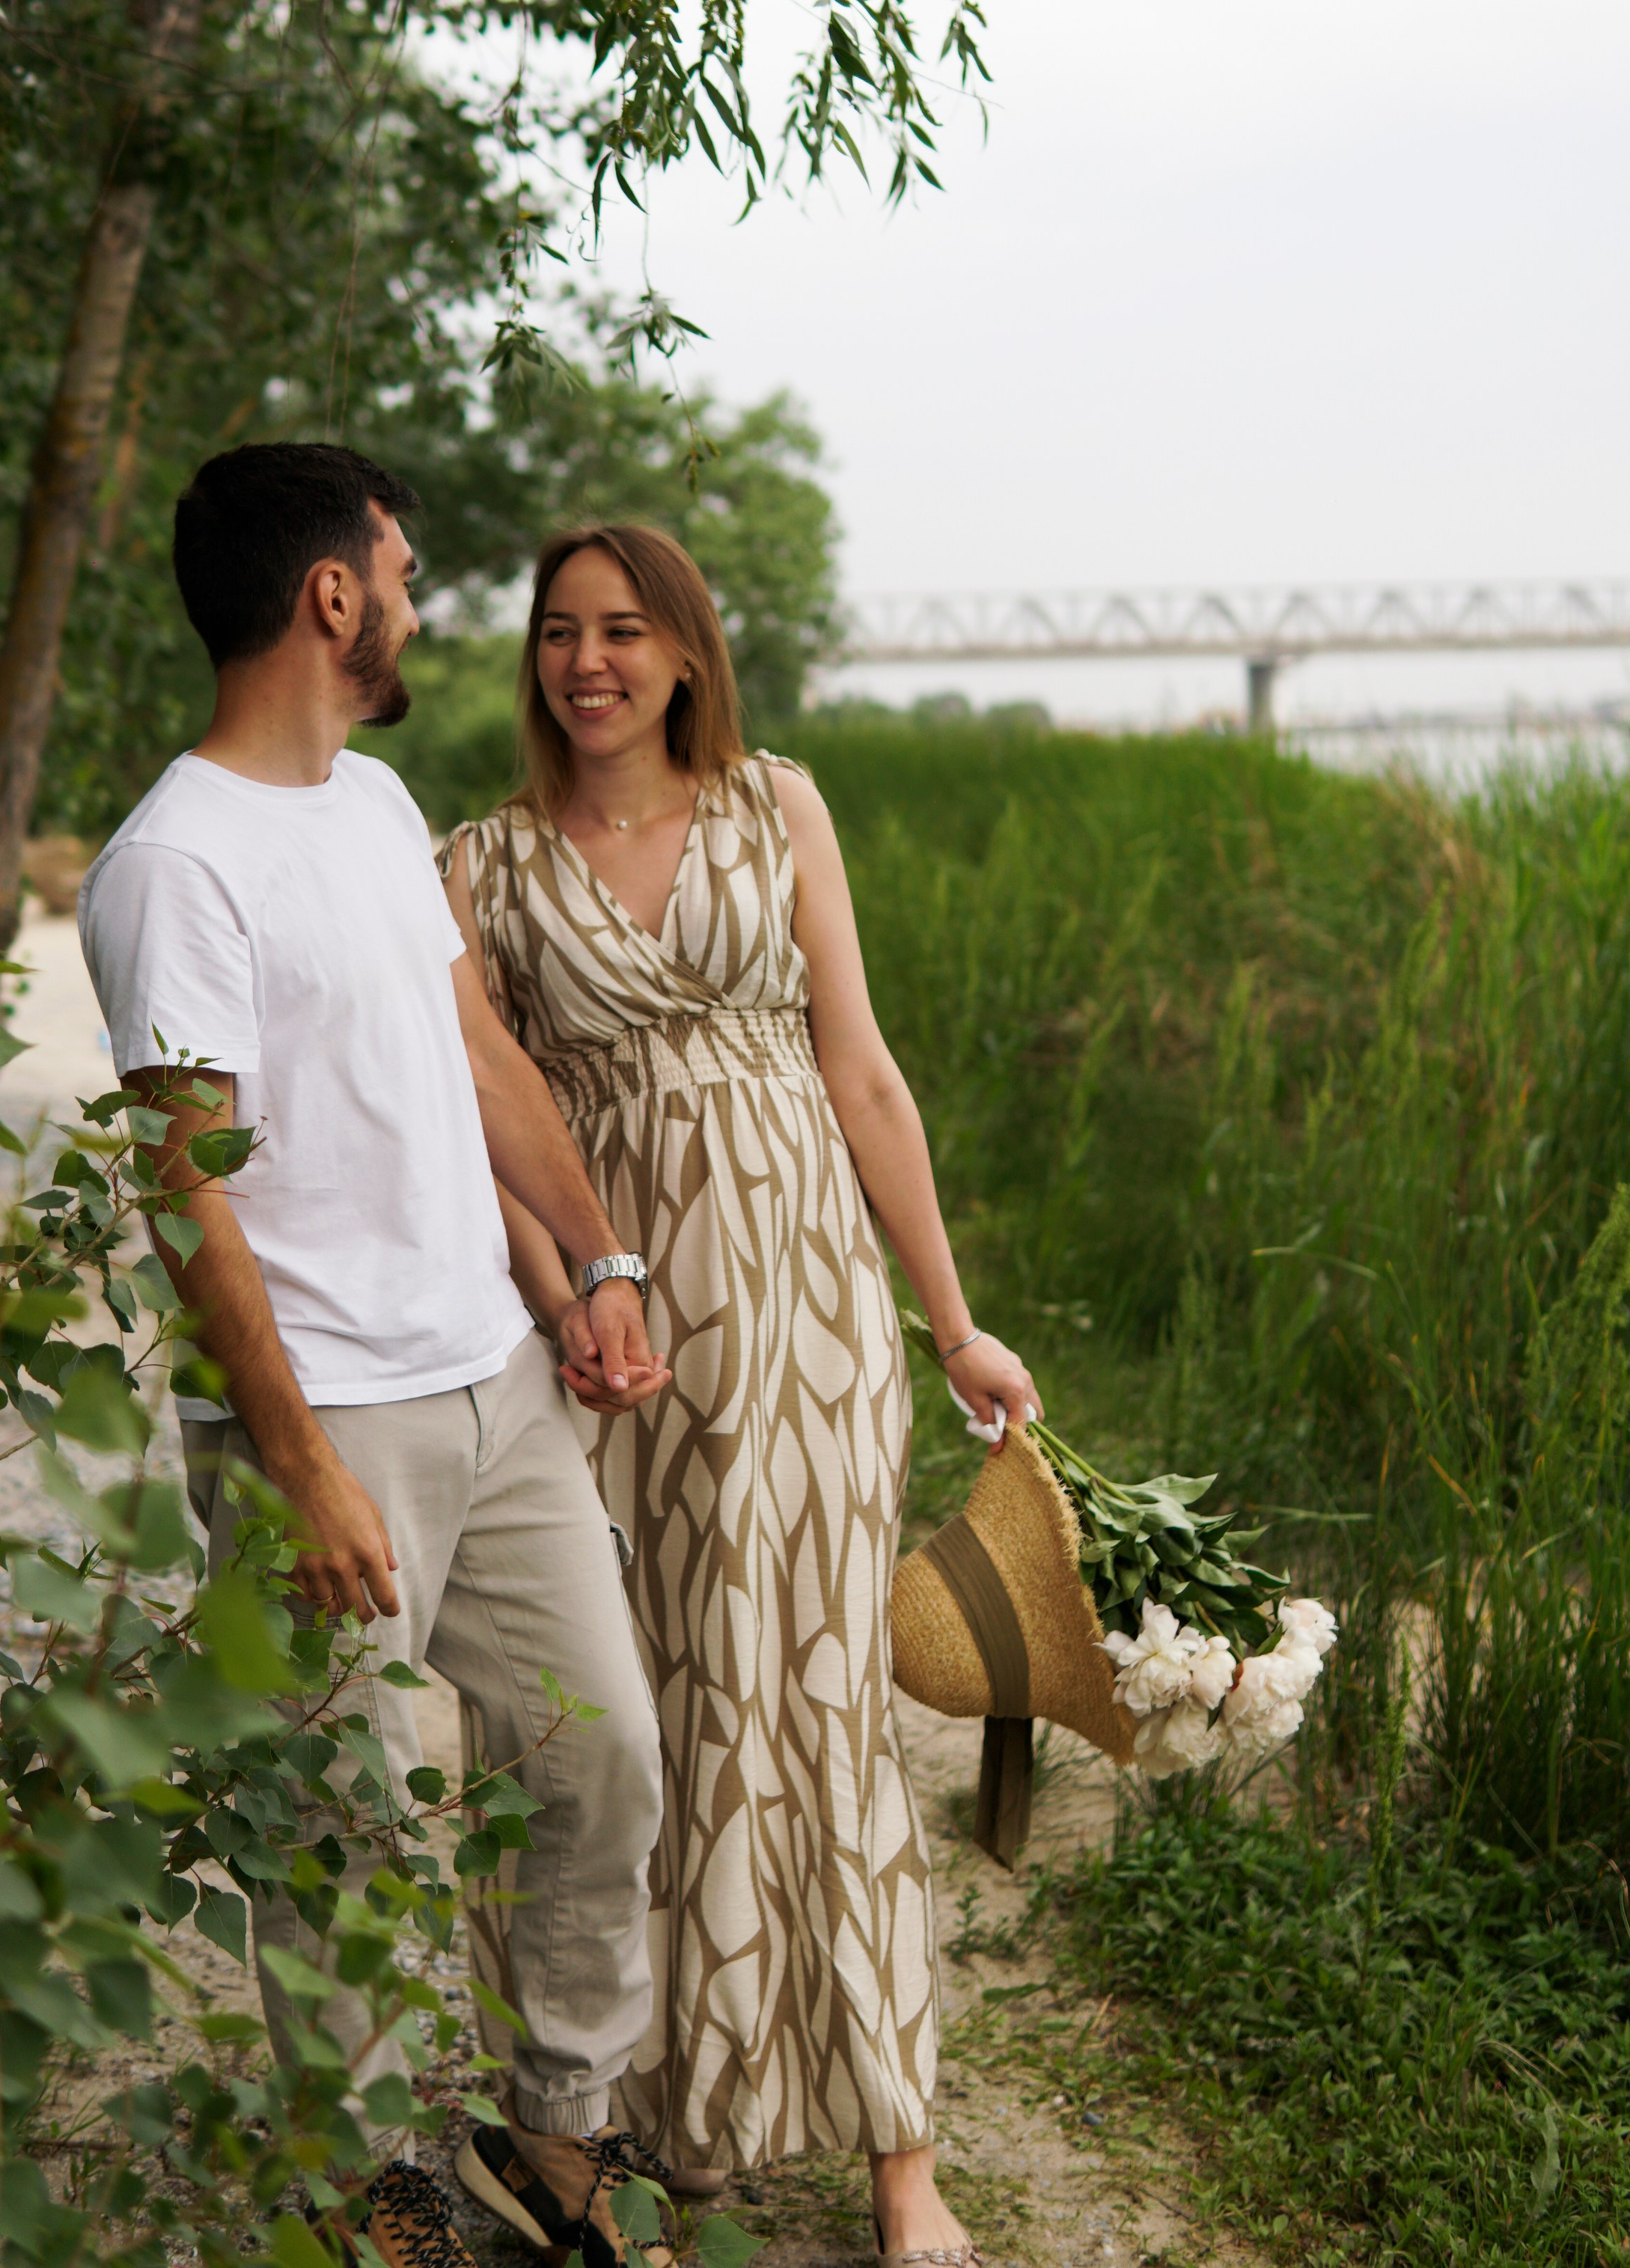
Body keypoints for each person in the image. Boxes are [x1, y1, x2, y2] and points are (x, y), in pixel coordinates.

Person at [76, 446, 678, 2268]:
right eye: (401, 576)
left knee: (601, 1760)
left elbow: (477, 1049)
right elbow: (185, 1190)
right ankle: (369, 2193)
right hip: (325, 1423)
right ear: (330, 594)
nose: (416, 609)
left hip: (498, 1388)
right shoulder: (173, 864)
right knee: (340, 1838)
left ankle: (553, 2129)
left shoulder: (373, 798)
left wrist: (595, 1260)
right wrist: (297, 1465)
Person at [439, 525, 1042, 2268]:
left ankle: (898, 2154)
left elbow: (862, 1075)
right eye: (559, 632)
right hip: (613, 1333)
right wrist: (563, 1299)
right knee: (641, 1717)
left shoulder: (777, 807)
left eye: (624, 629)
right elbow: (483, 1123)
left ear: (687, 651)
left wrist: (951, 1323)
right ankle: (664, 2115)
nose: (587, 661)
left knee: (818, 1708)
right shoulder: (476, 866)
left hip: (804, 1320)